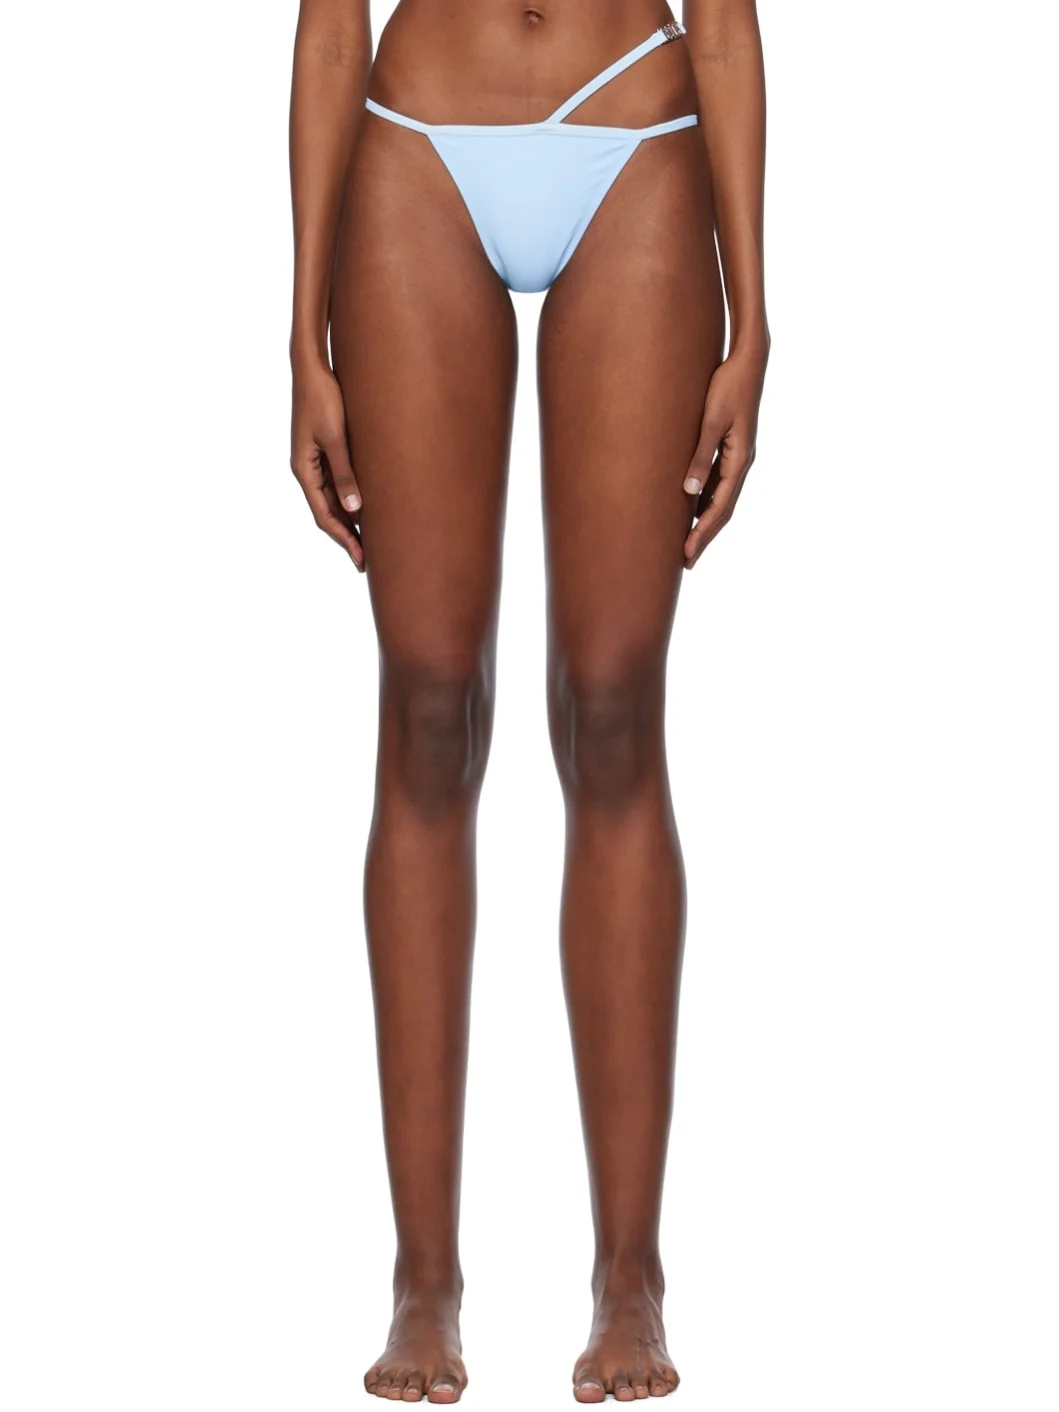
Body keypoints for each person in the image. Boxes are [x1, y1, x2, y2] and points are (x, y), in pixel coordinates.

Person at [288, 0, 768, 1400]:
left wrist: (753, 322)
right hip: (416, 143)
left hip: (637, 132)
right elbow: (328, 29)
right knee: (427, 709)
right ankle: (422, 1278)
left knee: (612, 710)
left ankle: (631, 1274)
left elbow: (725, 20)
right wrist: (300, 333)